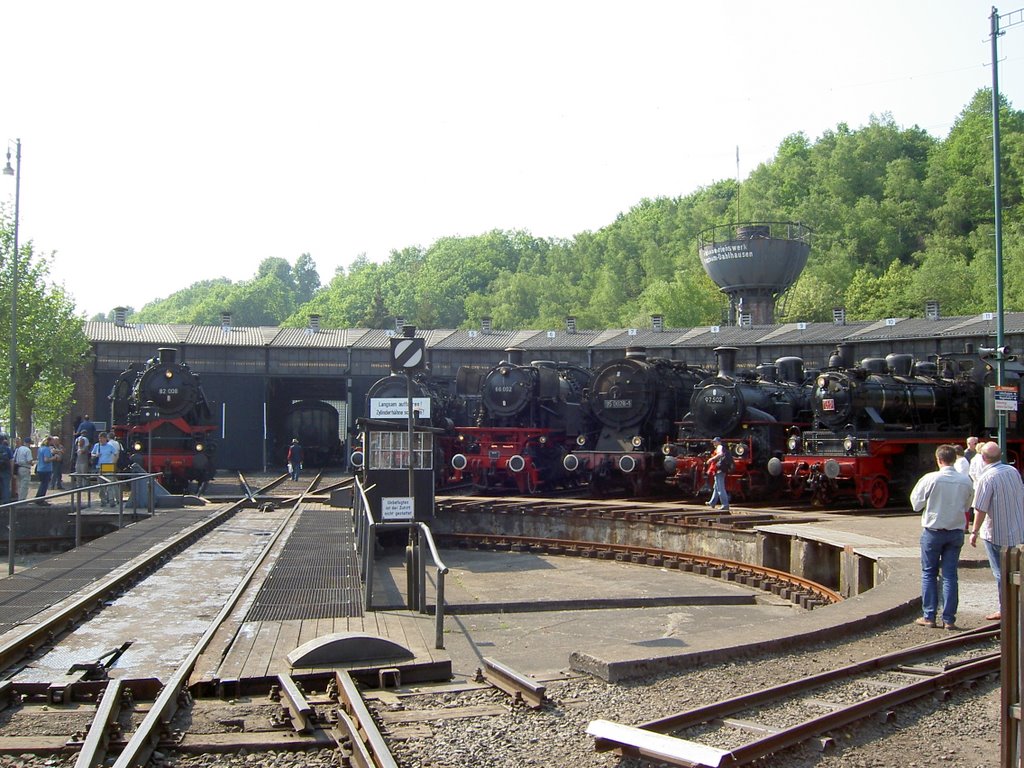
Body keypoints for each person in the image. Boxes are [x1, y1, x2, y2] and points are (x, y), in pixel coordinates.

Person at [909, 444, 974, 630]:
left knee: (929, 573)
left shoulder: (930, 478)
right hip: (955, 531)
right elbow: (968, 505)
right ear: (955, 459)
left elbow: (916, 504)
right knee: (950, 575)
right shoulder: (966, 481)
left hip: (933, 531)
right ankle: (949, 619)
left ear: (938, 459)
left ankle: (929, 616)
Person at [969, 441, 1024, 621]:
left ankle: (1005, 609)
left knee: (1001, 573)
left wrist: (974, 531)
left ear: (983, 458)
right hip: (1017, 530)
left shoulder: (987, 477)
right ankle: (1015, 605)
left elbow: (980, 509)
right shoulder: (1013, 471)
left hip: (996, 533)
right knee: (1016, 571)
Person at [91, 432, 119, 507]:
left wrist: (113, 463)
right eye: (100, 438)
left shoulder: (110, 446)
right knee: (101, 485)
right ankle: (103, 500)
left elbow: (116, 454)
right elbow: (92, 454)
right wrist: (96, 455)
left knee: (110, 483)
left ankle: (111, 500)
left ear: (106, 438)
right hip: (99, 466)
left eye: (102, 438)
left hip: (108, 466)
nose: (101, 440)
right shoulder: (97, 446)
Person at [704, 437, 730, 512]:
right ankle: (712, 502)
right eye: (713, 442)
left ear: (719, 442)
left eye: (715, 442)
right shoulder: (719, 447)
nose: (713, 444)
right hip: (719, 469)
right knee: (716, 487)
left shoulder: (719, 447)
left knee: (720, 488)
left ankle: (725, 505)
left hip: (719, 470)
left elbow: (720, 454)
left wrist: (711, 459)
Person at [33, 436, 55, 505]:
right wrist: (54, 458)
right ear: (49, 441)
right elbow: (46, 460)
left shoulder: (40, 449)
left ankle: (38, 498)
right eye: (52, 441)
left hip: (40, 468)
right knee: (44, 485)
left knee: (42, 484)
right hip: (46, 469)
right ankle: (40, 500)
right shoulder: (46, 449)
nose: (53, 442)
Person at [12, 437, 33, 501]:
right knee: (24, 485)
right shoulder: (28, 450)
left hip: (18, 468)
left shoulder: (18, 449)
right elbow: (29, 461)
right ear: (29, 443)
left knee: (19, 484)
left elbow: (13, 459)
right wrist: (33, 463)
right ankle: (22, 500)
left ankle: (19, 497)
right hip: (25, 468)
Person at [0, 435, 12, 505]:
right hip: (6, 470)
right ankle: (6, 501)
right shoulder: (7, 449)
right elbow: (11, 460)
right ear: (3, 440)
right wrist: (12, 471)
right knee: (6, 485)